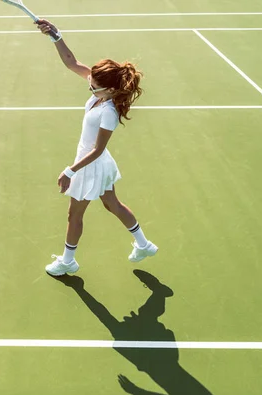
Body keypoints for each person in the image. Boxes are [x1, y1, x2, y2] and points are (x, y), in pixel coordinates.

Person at [36, 19, 159, 276]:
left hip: (90, 164)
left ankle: (68, 261)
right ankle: (144, 245)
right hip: (95, 163)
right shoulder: (100, 92)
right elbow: (71, 62)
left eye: (95, 83)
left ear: (111, 89)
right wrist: (55, 36)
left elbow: (98, 150)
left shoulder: (109, 113)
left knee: (74, 215)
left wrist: (70, 171)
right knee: (112, 204)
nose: (90, 83)